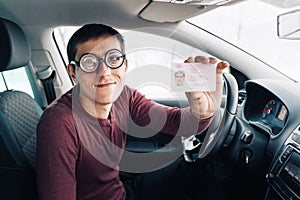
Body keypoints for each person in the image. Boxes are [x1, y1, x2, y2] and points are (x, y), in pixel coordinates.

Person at [36, 23, 228, 200]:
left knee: (198, 172)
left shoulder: (124, 96)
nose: (104, 72)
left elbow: (172, 122)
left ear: (125, 65)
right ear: (73, 72)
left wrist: (201, 113)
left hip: (122, 191)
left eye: (113, 59)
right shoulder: (58, 124)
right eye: (89, 62)